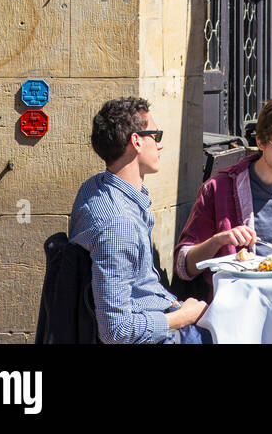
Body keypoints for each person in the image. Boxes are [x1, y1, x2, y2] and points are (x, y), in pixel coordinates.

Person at [69, 97, 210, 344]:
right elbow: (116, 331)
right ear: (136, 141)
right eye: (155, 136)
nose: (160, 145)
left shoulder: (94, 187)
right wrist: (184, 317)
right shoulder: (118, 224)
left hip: (161, 307)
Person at [174, 98, 272, 279]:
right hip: (242, 296)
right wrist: (218, 241)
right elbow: (184, 267)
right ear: (261, 142)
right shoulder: (219, 188)